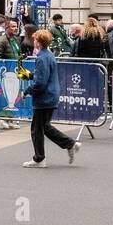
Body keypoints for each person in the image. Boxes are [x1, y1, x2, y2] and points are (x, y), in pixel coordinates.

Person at [23, 29, 80, 168]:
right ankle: (69, 145)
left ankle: (40, 158)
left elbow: (40, 83)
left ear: (38, 42)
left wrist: (27, 91)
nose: (34, 41)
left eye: (35, 39)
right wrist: (29, 75)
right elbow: (43, 77)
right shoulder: (48, 55)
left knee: (37, 129)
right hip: (51, 95)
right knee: (45, 127)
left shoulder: (42, 58)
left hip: (44, 97)